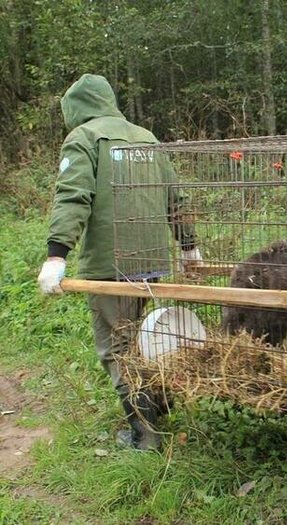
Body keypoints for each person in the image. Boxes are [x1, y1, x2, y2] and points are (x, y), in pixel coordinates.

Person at [37, 74, 203, 451]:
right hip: (151, 261)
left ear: (75, 109)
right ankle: (158, 405)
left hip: (109, 266)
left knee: (117, 347)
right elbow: (174, 197)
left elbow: (73, 196)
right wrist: (189, 245)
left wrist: (56, 254)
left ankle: (144, 435)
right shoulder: (147, 137)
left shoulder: (84, 138)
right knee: (144, 339)